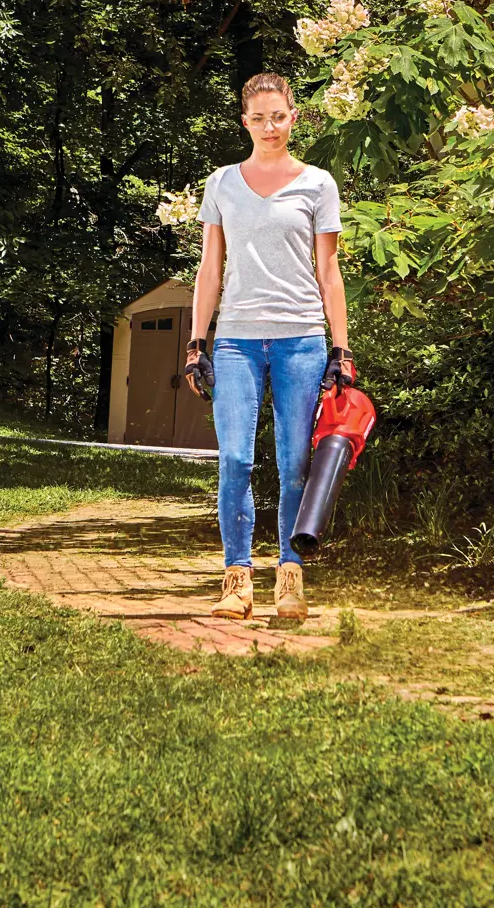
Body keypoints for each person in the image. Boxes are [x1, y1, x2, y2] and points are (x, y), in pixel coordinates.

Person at [184, 71, 356, 623]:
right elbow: (210, 267)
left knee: (294, 462)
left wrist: (341, 348)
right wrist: (196, 342)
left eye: (278, 116)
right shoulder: (222, 184)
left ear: (293, 117)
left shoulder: (319, 184)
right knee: (234, 457)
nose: (269, 126)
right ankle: (237, 579)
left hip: (301, 341)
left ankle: (289, 579)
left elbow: (328, 270)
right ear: (244, 122)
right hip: (234, 339)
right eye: (258, 117)